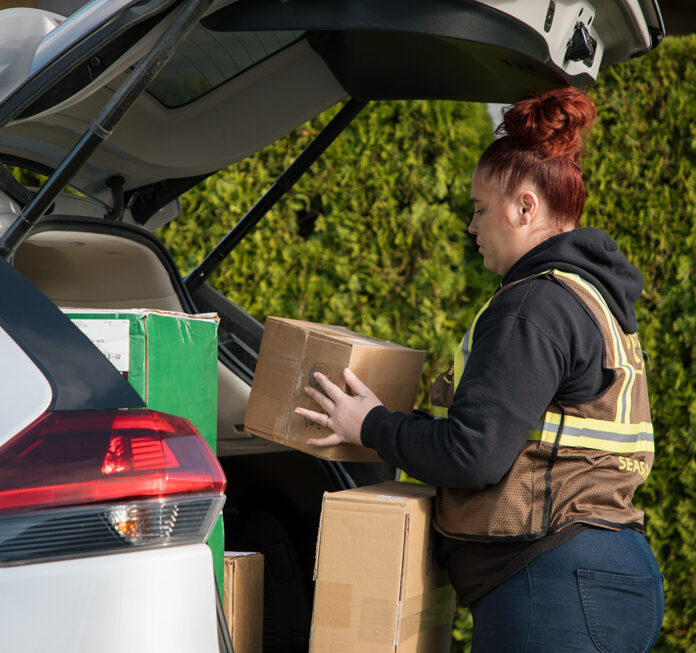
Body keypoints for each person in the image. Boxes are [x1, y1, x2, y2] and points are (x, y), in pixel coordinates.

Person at [294, 86, 664, 652]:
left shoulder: (532, 305)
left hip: (553, 581)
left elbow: (474, 455)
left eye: (479, 208)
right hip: (601, 573)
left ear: (524, 207)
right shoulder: (591, 299)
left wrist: (369, 426)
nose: (472, 227)